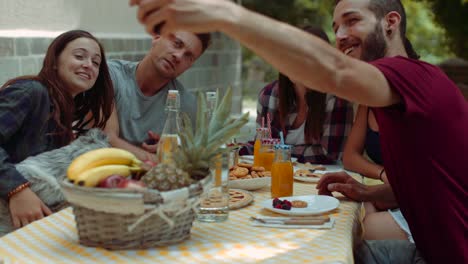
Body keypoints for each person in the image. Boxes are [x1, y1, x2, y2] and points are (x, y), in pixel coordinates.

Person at [129, 0, 468, 263]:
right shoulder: (393, 99)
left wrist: (224, 14)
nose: (340, 36)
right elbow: (426, 186)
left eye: (352, 20)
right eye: (336, 26)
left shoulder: (412, 75)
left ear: (390, 22)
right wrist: (368, 194)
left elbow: (334, 69)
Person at [0, 30, 114, 230]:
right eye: (79, 56)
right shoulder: (31, 92)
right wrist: (17, 190)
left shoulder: (64, 111)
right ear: (54, 61)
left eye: (96, 62)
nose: (88, 65)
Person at [104, 30, 211, 163]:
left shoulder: (187, 106)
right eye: (177, 44)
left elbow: (197, 159)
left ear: (190, 65)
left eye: (188, 56)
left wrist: (176, 151)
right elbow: (106, 139)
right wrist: (159, 161)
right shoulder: (111, 76)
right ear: (157, 37)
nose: (178, 56)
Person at [257, 26, 353, 164]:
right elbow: (262, 146)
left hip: (319, 179)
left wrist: (280, 151)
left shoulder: (337, 99)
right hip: (275, 175)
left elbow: (330, 153)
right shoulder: (268, 95)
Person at [343, 105, 413, 242]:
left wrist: (373, 193)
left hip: (418, 200)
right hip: (389, 188)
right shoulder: (368, 103)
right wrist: (383, 174)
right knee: (353, 212)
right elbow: (349, 157)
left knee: (360, 228)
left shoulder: (413, 105)